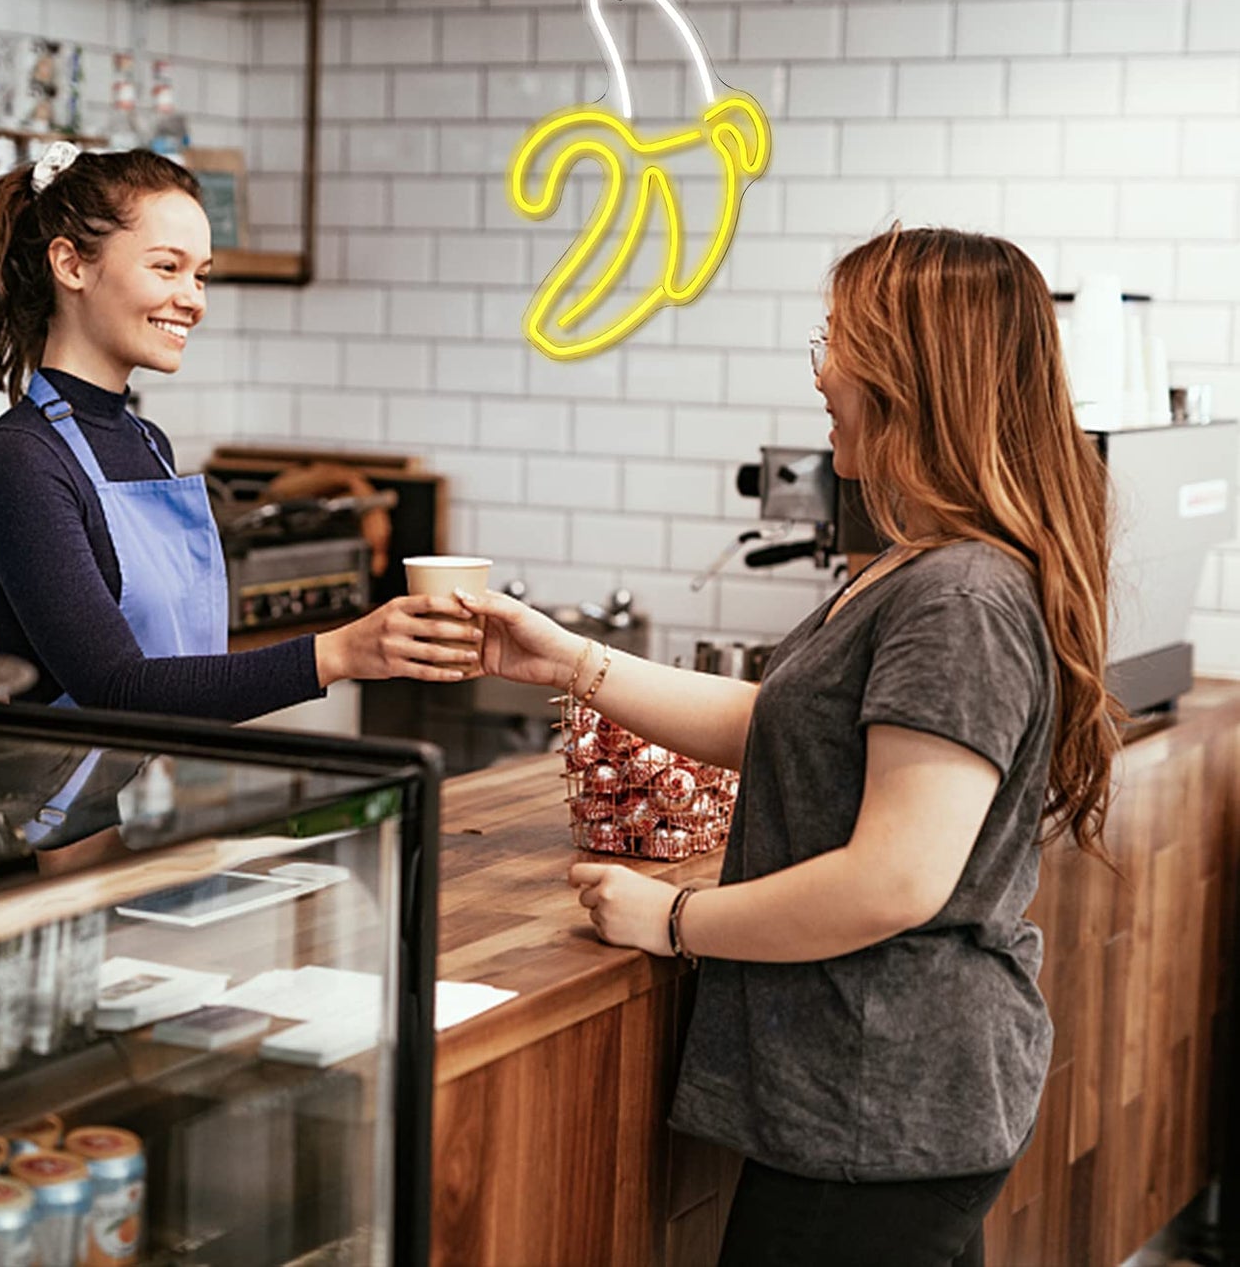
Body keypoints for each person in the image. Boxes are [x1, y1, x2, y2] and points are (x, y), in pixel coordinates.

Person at [458, 225, 1120, 1267]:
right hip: (876, 1093)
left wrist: (672, 917)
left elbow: (892, 879)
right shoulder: (921, 566)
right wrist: (568, 661)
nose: (819, 372)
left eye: (838, 339)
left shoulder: (957, 595)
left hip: (883, 1096)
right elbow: (779, 721)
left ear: (913, 372)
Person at [0, 143, 481, 721]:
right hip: (63, 808)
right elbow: (115, 688)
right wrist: (342, 651)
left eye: (201, 276)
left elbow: (182, 667)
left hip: (151, 794)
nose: (193, 300)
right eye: (167, 267)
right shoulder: (19, 461)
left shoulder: (147, 442)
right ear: (71, 265)